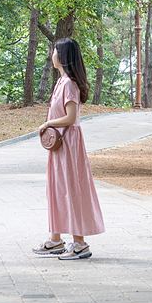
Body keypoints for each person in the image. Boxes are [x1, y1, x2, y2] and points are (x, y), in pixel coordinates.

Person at [33, 37, 105, 260]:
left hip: (69, 145)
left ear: (62, 56)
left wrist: (48, 124)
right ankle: (56, 239)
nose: (52, 54)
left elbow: (71, 117)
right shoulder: (61, 81)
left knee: (71, 188)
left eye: (55, 51)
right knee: (56, 188)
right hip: (60, 146)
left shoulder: (70, 83)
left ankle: (80, 243)